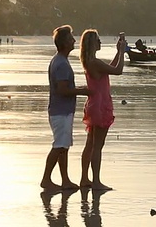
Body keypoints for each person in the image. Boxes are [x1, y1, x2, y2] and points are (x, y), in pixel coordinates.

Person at [41, 25, 90, 191]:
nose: (74, 41)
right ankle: (46, 179)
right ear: (64, 43)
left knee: (63, 147)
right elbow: (62, 90)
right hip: (60, 111)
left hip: (61, 110)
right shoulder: (61, 63)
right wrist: (83, 91)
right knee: (59, 146)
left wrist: (79, 89)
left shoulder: (59, 60)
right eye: (71, 39)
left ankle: (65, 180)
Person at [79, 29, 126, 190]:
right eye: (98, 40)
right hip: (100, 105)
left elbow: (110, 68)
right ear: (92, 43)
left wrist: (119, 52)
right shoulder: (94, 62)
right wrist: (122, 53)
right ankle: (96, 181)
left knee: (90, 144)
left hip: (94, 104)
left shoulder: (90, 62)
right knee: (97, 145)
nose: (100, 42)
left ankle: (85, 178)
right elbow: (118, 70)